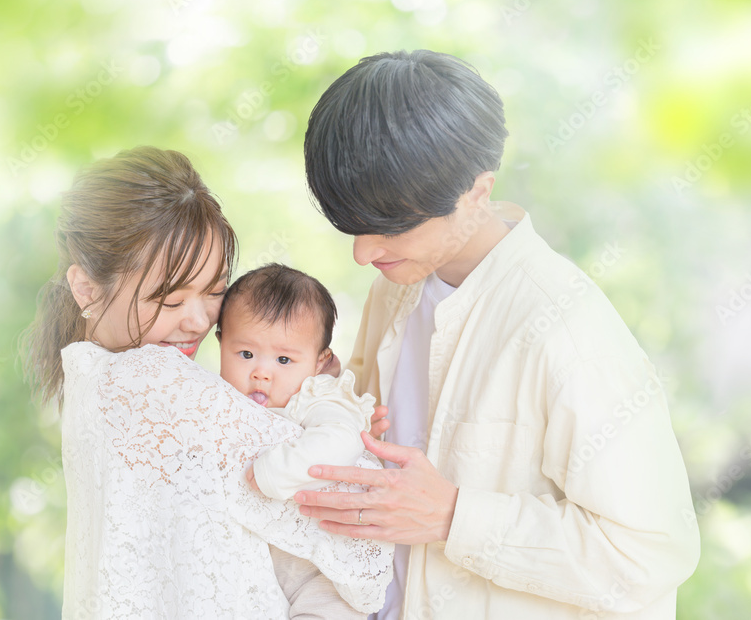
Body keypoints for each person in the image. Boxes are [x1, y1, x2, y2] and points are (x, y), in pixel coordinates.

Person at [294, 50, 701, 618]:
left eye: (388, 227)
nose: (363, 253)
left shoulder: (567, 331)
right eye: (353, 227)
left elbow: (648, 557)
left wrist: (453, 517)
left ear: (477, 192)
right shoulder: (395, 288)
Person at [21, 146, 392, 619]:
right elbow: (358, 501)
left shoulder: (89, 380)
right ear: (87, 289)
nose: (199, 321)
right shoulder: (151, 379)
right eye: (171, 301)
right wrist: (342, 430)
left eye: (215, 291)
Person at [215, 263, 376, 501]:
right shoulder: (212, 391)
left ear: (319, 363)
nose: (261, 373)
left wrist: (276, 472)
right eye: (246, 354)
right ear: (221, 344)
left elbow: (343, 440)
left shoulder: (316, 398)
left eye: (283, 360)